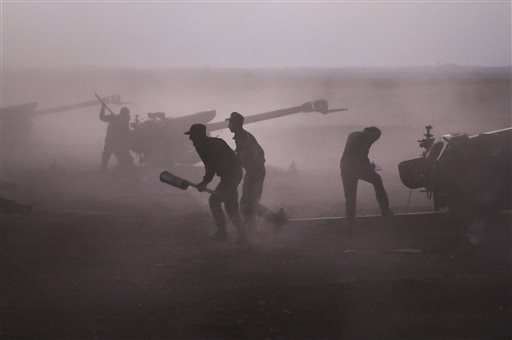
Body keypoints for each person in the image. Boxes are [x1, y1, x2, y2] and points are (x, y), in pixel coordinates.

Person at [185, 123, 247, 242]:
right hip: (230, 176)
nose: (190, 138)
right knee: (231, 206)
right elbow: (210, 166)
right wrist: (205, 182)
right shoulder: (205, 145)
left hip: (232, 175)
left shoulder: (208, 146)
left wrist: (204, 182)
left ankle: (223, 234)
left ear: (199, 136)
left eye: (192, 135)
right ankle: (242, 236)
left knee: (214, 200)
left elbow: (211, 166)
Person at [226, 112, 287, 233]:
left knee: (248, 204)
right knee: (248, 203)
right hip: (254, 171)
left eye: (230, 122)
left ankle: (256, 228)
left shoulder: (243, 138)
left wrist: (234, 162)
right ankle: (273, 220)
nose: (228, 125)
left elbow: (245, 156)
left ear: (236, 124)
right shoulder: (242, 136)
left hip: (255, 172)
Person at [340, 126, 393, 229]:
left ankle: (350, 222)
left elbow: (357, 154)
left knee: (350, 196)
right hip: (355, 167)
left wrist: (367, 165)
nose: (374, 141)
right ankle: (385, 210)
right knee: (377, 180)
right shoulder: (365, 138)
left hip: (345, 167)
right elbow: (361, 156)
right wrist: (371, 167)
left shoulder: (353, 134)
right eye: (376, 138)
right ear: (371, 133)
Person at [99, 105, 134, 172]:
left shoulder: (124, 121)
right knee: (105, 159)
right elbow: (102, 118)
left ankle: (120, 171)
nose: (127, 116)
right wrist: (102, 108)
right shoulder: (113, 117)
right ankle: (102, 173)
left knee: (123, 160)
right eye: (126, 114)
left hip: (118, 145)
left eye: (127, 115)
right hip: (111, 142)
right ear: (122, 114)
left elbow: (127, 133)